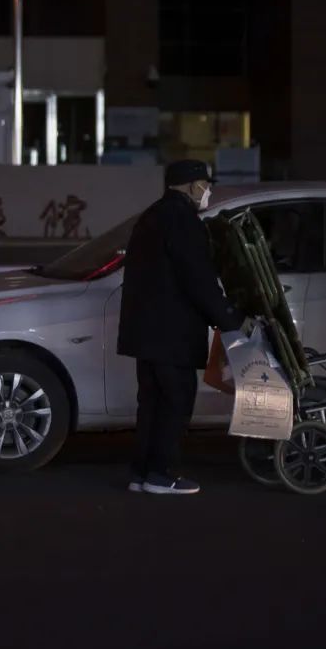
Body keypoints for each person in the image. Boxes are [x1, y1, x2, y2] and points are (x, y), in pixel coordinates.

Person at [118, 159, 245, 495]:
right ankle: (161, 475)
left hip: (145, 333)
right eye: (206, 184)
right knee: (175, 403)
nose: (208, 191)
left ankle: (141, 474)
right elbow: (198, 279)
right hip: (172, 333)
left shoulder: (151, 216)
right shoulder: (184, 221)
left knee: (151, 404)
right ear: (193, 186)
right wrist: (228, 319)